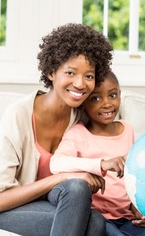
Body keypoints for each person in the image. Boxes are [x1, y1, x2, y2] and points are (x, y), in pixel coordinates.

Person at [0, 23, 113, 236]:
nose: (80, 84)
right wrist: (60, 178)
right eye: (70, 72)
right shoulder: (18, 115)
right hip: (10, 209)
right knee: (95, 223)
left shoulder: (83, 116)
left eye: (89, 76)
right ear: (52, 71)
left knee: (78, 190)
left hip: (61, 202)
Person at [50, 71, 145, 236]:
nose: (107, 103)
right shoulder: (78, 134)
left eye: (113, 95)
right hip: (97, 218)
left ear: (120, 96)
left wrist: (142, 209)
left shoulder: (127, 128)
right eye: (96, 98)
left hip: (127, 218)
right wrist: (101, 163)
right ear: (83, 103)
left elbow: (134, 175)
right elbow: (56, 163)